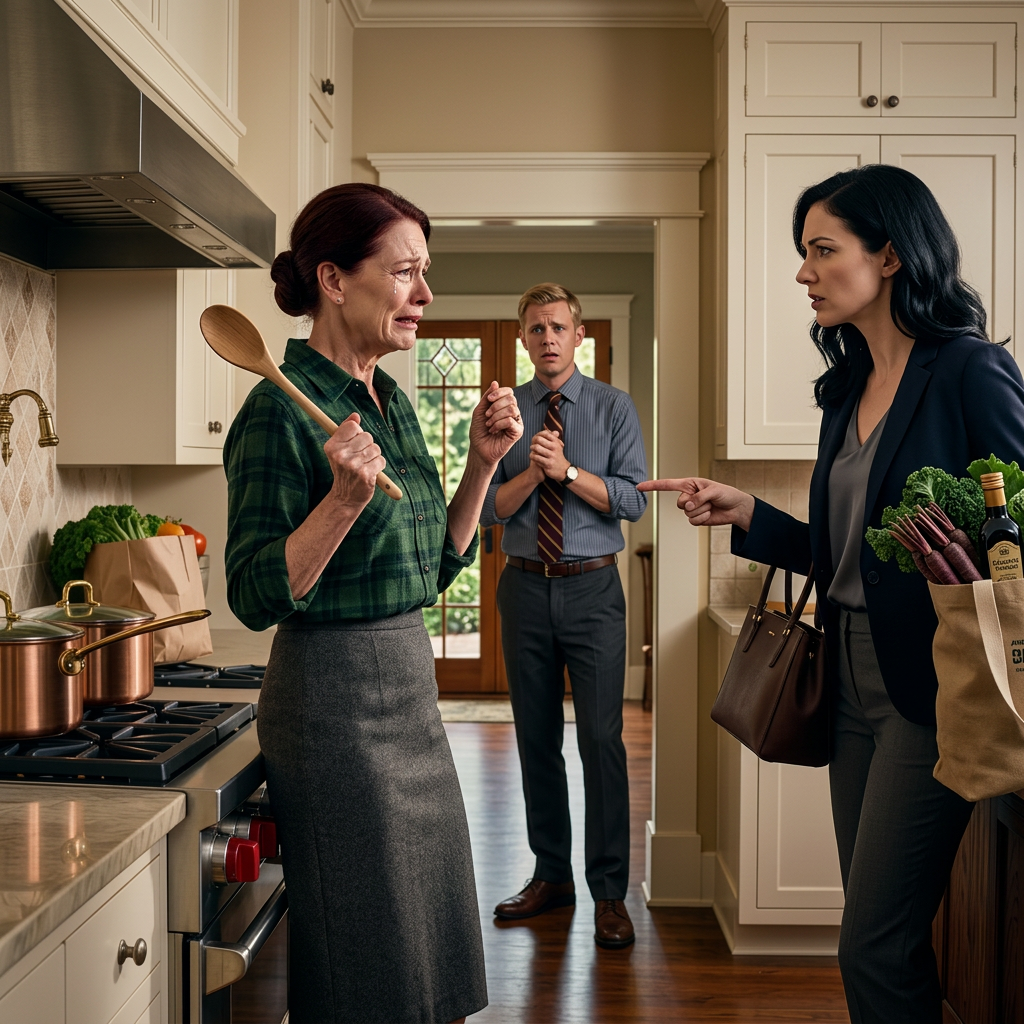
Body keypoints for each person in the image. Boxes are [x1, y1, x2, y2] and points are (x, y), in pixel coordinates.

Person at [640, 164, 1024, 1023]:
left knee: (870, 944)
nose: (804, 272)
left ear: (890, 255)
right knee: (879, 930)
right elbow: (845, 551)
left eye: (823, 250)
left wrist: (974, 559)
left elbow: (1020, 521)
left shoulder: (967, 371)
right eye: (802, 252)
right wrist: (748, 513)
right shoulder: (846, 387)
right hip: (846, 670)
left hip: (936, 683)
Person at [224, 183, 524, 1024]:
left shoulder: (389, 404)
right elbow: (251, 593)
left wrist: (484, 465)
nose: (425, 296)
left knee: (431, 954)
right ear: (333, 278)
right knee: (372, 969)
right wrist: (340, 503)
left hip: (410, 700)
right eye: (406, 273)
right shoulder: (277, 413)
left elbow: (430, 573)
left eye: (426, 274)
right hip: (334, 714)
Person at [480, 283, 648, 949]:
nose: (547, 338)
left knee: (601, 744)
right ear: (523, 339)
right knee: (535, 738)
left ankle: (610, 892)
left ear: (578, 335)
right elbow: (490, 506)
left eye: (558, 326)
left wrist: (568, 469)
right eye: (535, 328)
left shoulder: (613, 408)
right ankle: (552, 876)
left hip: (593, 592)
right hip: (522, 590)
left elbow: (632, 500)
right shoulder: (506, 411)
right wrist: (532, 472)